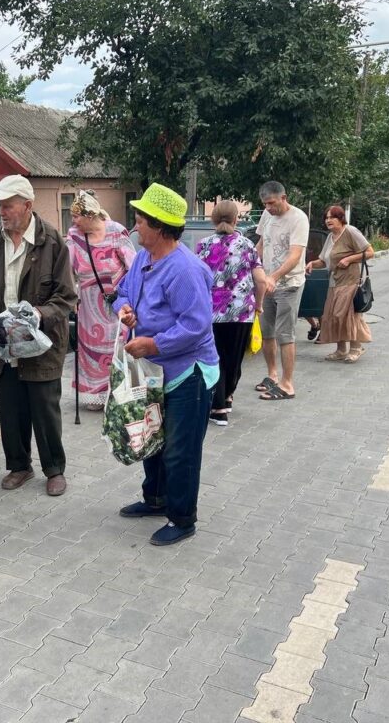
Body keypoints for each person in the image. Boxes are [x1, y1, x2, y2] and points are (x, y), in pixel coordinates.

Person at [113, 183, 219, 546]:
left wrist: (154, 342)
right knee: (152, 438)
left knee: (180, 450)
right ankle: (155, 499)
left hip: (188, 372)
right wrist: (124, 310)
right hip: (155, 369)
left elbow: (196, 325)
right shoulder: (145, 257)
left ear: (159, 226)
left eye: (140, 220)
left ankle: (182, 518)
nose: (135, 225)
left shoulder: (185, 269)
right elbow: (124, 290)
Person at [0, 175, 77, 497]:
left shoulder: (52, 240)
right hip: (4, 342)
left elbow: (66, 296)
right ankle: (19, 466)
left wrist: (41, 314)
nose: (2, 211)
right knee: (11, 407)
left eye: (8, 205)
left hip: (40, 342)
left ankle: (54, 469)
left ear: (27, 206)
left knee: (44, 408)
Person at [195, 200, 266, 425]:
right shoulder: (247, 245)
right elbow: (261, 280)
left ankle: (219, 406)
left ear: (214, 219)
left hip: (211, 312)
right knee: (234, 359)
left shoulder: (203, 245)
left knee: (215, 357)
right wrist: (259, 305)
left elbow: (197, 278)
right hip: (241, 311)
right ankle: (225, 400)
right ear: (236, 219)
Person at [66, 190, 136, 411]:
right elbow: (67, 271)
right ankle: (95, 395)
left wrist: (132, 297)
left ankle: (118, 391)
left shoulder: (116, 231)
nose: (73, 220)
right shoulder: (74, 236)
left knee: (117, 346)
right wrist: (71, 299)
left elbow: (132, 267)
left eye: (77, 216)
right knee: (91, 350)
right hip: (87, 304)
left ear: (90, 215)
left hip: (117, 303)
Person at [254, 181, 308, 401]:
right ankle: (272, 375)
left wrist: (274, 277)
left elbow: (295, 255)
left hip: (289, 284)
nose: (268, 208)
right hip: (267, 284)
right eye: (265, 204)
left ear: (283, 198)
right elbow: (260, 245)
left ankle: (287, 384)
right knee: (267, 332)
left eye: (272, 203)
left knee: (285, 334)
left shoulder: (298, 219)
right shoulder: (267, 215)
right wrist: (253, 268)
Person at [305, 206, 375, 363]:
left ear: (341, 218)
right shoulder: (330, 237)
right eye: (326, 218)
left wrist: (349, 259)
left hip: (350, 280)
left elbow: (370, 252)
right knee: (334, 315)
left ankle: (356, 348)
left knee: (348, 315)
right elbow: (324, 260)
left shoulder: (350, 231)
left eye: (332, 217)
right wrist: (311, 264)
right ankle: (341, 350)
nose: (328, 220)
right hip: (334, 282)